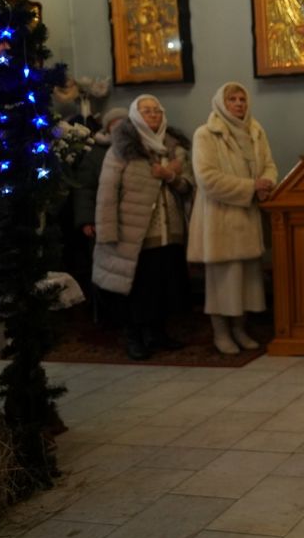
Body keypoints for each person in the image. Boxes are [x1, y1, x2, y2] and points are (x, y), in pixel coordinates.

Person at [92, 94, 194, 360]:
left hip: (169, 231)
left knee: (163, 285)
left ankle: (157, 332)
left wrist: (170, 175)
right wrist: (107, 232)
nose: (153, 115)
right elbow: (107, 194)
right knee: (137, 287)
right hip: (135, 232)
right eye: (146, 111)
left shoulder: (174, 148)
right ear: (136, 116)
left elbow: (188, 186)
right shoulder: (121, 149)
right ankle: (134, 336)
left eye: (157, 110)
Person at [188, 82, 277, 355]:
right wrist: (251, 187)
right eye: (232, 100)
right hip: (220, 220)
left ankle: (240, 329)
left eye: (242, 99)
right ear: (221, 103)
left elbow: (269, 166)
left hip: (248, 218)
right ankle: (221, 332)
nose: (239, 104)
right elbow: (207, 179)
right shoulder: (206, 134)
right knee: (222, 282)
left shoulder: (255, 130)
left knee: (247, 282)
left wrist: (266, 184)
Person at [66, 106, 128, 322]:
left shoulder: (135, 151)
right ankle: (105, 313)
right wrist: (86, 221)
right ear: (108, 128)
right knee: (105, 269)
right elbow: (85, 189)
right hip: (102, 223)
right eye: (115, 125)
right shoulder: (95, 155)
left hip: (130, 222)